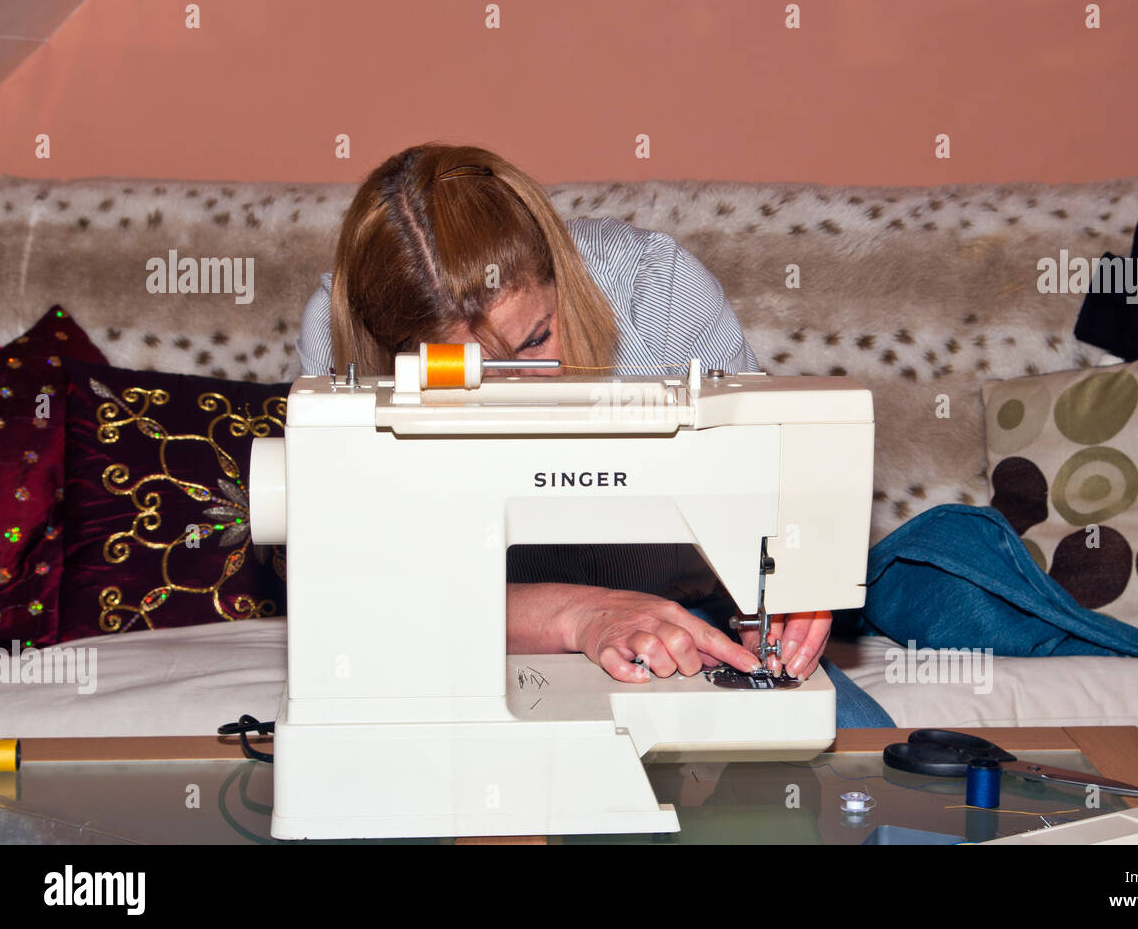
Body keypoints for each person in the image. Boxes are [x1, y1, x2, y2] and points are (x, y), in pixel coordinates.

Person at [296, 141, 894, 727]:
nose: (517, 389)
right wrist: (575, 613)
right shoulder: (336, 337)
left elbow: (772, 473)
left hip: (685, 611)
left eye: (535, 341)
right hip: (452, 626)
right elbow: (365, 591)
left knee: (860, 752)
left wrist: (790, 578)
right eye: (467, 371)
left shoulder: (653, 292)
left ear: (557, 272)